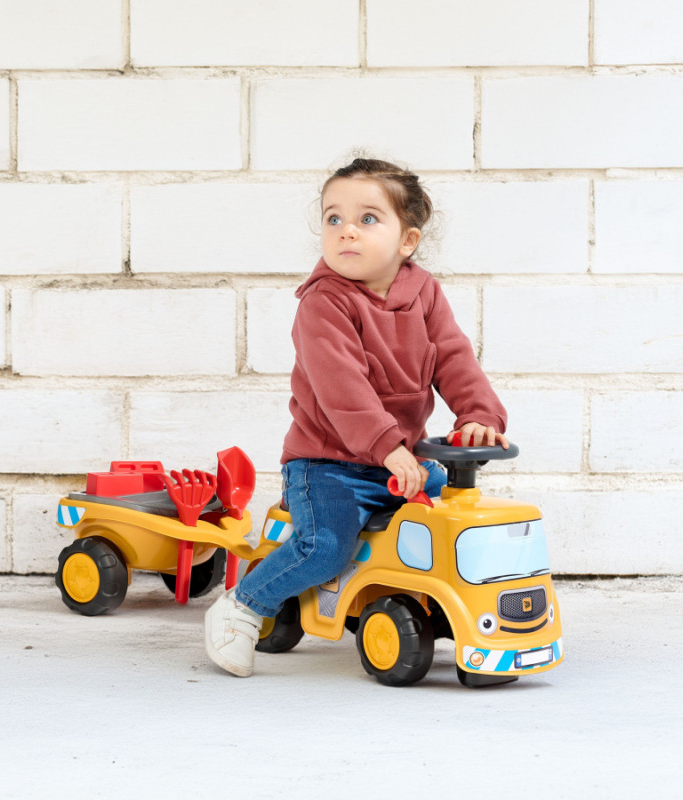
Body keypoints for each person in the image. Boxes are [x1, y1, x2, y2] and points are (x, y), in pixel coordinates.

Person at [205, 157, 509, 677]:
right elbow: (341, 387)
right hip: (328, 465)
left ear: (407, 241)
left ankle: (462, 613)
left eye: (367, 218)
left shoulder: (424, 293)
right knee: (324, 548)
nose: (346, 229)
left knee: (456, 522)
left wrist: (478, 415)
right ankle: (243, 606)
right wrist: (387, 445)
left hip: (399, 463)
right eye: (333, 218)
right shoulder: (323, 303)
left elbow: (454, 358)